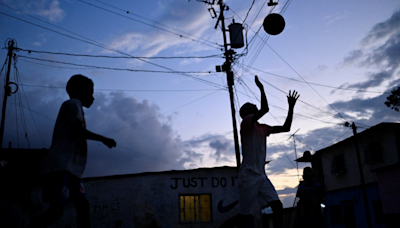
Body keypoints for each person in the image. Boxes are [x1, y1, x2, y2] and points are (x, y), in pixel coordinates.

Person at [26, 74, 116, 228]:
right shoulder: (73, 104)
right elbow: (76, 131)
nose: (93, 98)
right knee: (57, 211)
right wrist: (103, 139)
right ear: (80, 90)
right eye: (91, 92)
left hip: (71, 171)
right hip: (60, 167)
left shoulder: (77, 108)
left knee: (81, 206)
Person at [238, 75, 299, 228]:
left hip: (261, 176)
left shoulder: (263, 128)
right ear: (247, 112)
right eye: (252, 105)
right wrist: (261, 88)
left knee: (277, 206)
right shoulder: (246, 123)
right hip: (248, 176)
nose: (255, 105)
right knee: (244, 216)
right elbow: (265, 108)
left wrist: (291, 107)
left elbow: (286, 128)